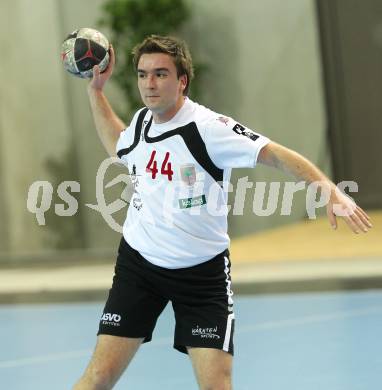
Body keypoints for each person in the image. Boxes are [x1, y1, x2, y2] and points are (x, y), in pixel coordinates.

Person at [73, 35, 372, 390]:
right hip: (139, 266)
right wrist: (96, 92)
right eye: (142, 74)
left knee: (217, 385)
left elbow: (274, 153)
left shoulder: (209, 128)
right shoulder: (141, 123)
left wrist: (329, 190)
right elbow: (119, 145)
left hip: (202, 276)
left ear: (182, 81)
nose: (149, 84)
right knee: (97, 378)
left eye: (160, 74)